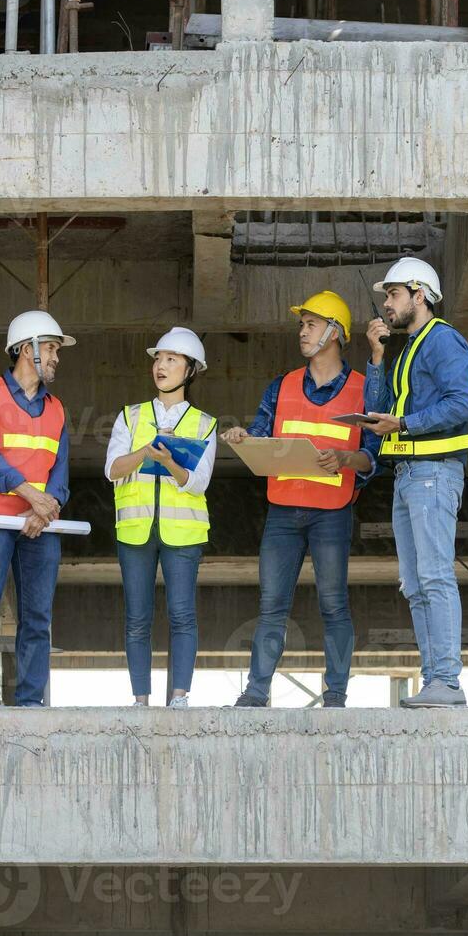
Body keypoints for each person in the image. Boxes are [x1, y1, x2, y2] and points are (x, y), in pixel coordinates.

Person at [221, 292, 379, 708]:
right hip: (283, 512)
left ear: (335, 333)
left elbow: (374, 459)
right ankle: (256, 692)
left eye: (310, 324)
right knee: (271, 606)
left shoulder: (364, 390)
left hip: (332, 514)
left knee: (333, 606)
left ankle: (336, 696)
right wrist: (243, 437)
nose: (303, 332)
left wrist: (345, 457)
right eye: (302, 325)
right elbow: (260, 433)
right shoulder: (283, 385)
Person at [363, 257, 468, 708]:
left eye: (392, 294)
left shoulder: (443, 341)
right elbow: (381, 413)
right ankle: (435, 680)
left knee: (433, 576)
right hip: (410, 476)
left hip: (432, 473)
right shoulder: (409, 348)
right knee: (414, 583)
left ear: (420, 295)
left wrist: (406, 423)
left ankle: (446, 681)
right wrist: (376, 357)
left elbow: (462, 404)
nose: (386, 303)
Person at [0, 311, 75, 708]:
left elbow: (60, 471)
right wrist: (34, 498)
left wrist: (45, 508)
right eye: (51, 348)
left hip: (39, 523)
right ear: (27, 350)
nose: (57, 357)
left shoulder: (57, 409)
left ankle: (30, 700)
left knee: (38, 616)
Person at [105, 327, 218, 707]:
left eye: (172, 360)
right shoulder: (130, 416)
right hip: (136, 529)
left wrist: (171, 463)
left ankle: (180, 697)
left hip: (183, 534)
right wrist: (144, 454)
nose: (161, 366)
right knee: (137, 618)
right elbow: (112, 469)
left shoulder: (205, 424)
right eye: (158, 358)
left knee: (182, 615)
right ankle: (140, 700)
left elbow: (199, 482)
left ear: (190, 370)